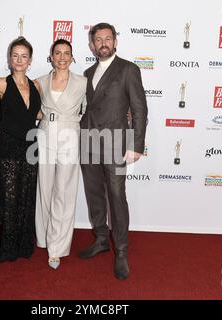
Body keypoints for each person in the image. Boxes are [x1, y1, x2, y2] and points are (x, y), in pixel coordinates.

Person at [78, 22, 148, 280]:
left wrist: (136, 145)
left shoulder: (128, 69)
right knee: (94, 195)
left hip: (116, 145)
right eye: (98, 39)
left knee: (117, 198)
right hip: (88, 144)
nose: (103, 43)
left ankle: (120, 250)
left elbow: (140, 109)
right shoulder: (86, 72)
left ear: (115, 42)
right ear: (92, 45)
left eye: (108, 38)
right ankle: (100, 239)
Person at [35, 39, 87, 270]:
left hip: (69, 136)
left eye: (67, 53)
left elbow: (90, 110)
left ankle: (56, 248)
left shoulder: (82, 82)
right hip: (45, 134)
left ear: (72, 57)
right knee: (44, 190)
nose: (63, 57)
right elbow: (32, 109)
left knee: (63, 192)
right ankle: (44, 237)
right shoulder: (40, 82)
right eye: (58, 53)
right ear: (51, 57)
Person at [0, 37, 41, 262]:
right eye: (15, 55)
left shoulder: (36, 86)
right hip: (9, 146)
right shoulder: (1, 83)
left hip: (32, 146)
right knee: (8, 197)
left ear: (30, 60)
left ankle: (24, 244)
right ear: (9, 59)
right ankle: (8, 246)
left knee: (27, 196)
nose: (19, 60)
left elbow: (37, 115)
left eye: (24, 56)